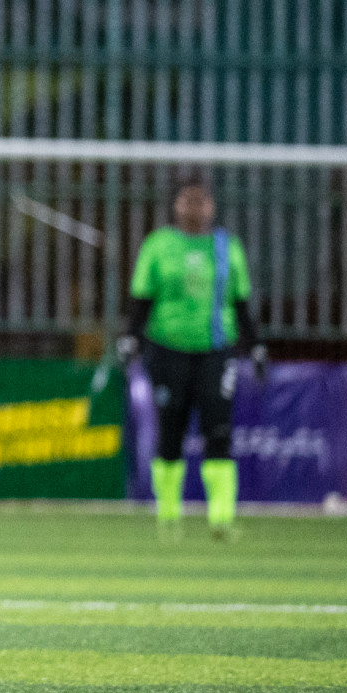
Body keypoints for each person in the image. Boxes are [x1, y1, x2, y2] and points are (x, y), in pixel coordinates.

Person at [120, 176, 267, 539]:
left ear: (212, 207)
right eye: (187, 200)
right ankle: (168, 518)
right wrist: (130, 338)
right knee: (171, 431)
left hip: (217, 351)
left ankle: (221, 519)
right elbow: (142, 298)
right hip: (166, 349)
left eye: (202, 201)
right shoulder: (159, 245)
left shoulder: (226, 247)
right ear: (175, 206)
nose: (195, 208)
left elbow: (241, 302)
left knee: (219, 431)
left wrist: (256, 344)